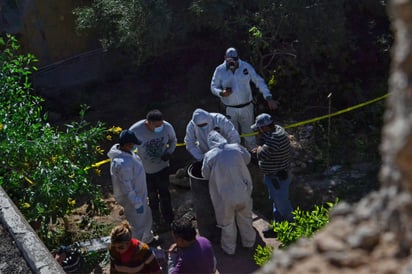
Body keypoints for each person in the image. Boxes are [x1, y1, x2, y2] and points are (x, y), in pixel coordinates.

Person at [210, 47, 278, 150]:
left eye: (235, 59)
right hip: (229, 109)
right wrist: (221, 93)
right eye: (229, 60)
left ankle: (252, 153)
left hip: (247, 106)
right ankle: (235, 156)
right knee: (231, 134)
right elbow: (213, 86)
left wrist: (268, 97)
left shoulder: (245, 67)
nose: (232, 62)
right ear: (225, 58)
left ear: (238, 57)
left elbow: (258, 81)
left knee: (249, 132)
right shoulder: (220, 70)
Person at [201, 130, 256, 255]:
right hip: (243, 191)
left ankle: (229, 249)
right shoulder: (236, 147)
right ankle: (249, 243)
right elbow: (247, 159)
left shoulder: (210, 155)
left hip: (223, 197)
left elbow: (205, 175)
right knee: (246, 218)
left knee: (227, 224)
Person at [129, 109, 176, 228]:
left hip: (163, 168)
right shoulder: (136, 131)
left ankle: (169, 219)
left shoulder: (167, 127)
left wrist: (169, 152)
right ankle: (155, 221)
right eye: (156, 126)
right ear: (147, 123)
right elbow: (128, 149)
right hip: (145, 171)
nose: (159, 128)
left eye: (161, 125)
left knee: (165, 194)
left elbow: (173, 140)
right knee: (152, 196)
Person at [107, 129, 155, 244]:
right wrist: (136, 203)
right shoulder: (122, 163)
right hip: (133, 199)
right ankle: (136, 248)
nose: (134, 146)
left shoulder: (126, 153)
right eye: (132, 144)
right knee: (137, 225)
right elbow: (126, 186)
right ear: (127, 144)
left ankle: (148, 240)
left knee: (146, 218)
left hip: (140, 194)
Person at [250, 113, 294, 237]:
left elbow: (259, 154)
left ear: (265, 128)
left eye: (259, 129)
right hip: (274, 176)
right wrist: (260, 147)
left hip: (277, 178)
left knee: (283, 206)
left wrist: (258, 148)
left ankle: (293, 230)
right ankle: (278, 226)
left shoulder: (275, 138)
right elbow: (262, 148)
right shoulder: (278, 129)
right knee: (276, 203)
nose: (258, 131)